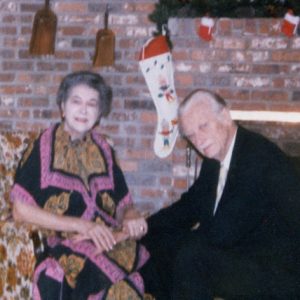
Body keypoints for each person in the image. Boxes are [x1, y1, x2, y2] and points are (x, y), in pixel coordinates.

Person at [141, 89, 300, 299]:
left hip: (275, 272)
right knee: (156, 243)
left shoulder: (257, 157)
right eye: (191, 135)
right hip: (241, 255)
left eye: (203, 126)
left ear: (224, 116)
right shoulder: (215, 159)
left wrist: (180, 243)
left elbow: (223, 232)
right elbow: (188, 207)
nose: (199, 140)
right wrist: (144, 227)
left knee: (193, 255)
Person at [11, 70, 149, 299]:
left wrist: (131, 216)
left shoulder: (104, 149)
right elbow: (20, 210)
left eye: (92, 104)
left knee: (133, 280)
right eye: (76, 101)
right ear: (62, 107)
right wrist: (82, 227)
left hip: (109, 241)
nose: (84, 110)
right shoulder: (44, 145)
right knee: (115, 284)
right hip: (63, 243)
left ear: (99, 113)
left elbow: (124, 204)